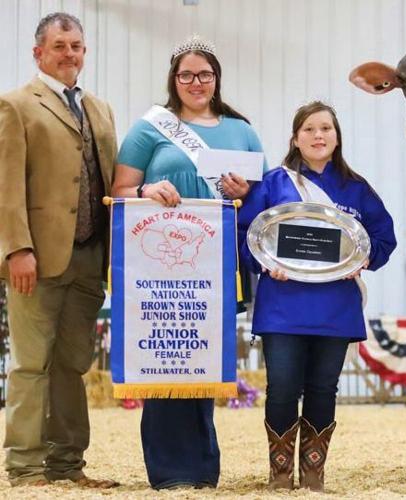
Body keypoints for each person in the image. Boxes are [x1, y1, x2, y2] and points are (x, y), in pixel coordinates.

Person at [111, 35, 260, 489]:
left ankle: (201, 468)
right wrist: (146, 192)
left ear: (217, 80)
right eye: (187, 75)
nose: (196, 82)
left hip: (216, 267)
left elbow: (261, 202)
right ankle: (168, 471)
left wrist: (244, 193)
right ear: (174, 80)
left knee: (204, 361)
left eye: (205, 75)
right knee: (162, 358)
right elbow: (119, 192)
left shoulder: (242, 130)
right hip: (157, 268)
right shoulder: (149, 129)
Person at [238, 101, 396, 491]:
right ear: (295, 138)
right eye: (309, 129)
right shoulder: (273, 183)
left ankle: (313, 476)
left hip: (335, 307)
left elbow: (383, 237)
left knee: (324, 388)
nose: (318, 135)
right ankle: (279, 475)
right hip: (282, 305)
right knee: (283, 387)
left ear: (337, 137)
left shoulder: (356, 189)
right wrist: (262, 263)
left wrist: (364, 259)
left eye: (326, 128)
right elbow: (245, 234)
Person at [0, 12, 119, 489]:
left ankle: (67, 465)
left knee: (73, 364)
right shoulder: (15, 105)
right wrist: (16, 250)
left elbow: (110, 180)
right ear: (39, 53)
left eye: (77, 46)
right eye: (60, 46)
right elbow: (6, 188)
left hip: (91, 257)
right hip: (36, 258)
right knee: (31, 365)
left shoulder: (101, 109)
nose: (70, 54)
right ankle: (25, 466)